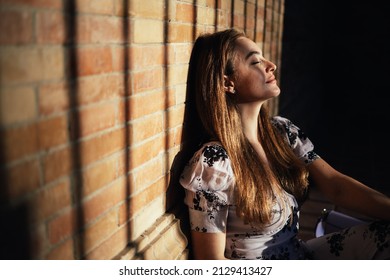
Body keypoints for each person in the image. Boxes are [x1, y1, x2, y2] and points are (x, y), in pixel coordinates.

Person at [177, 28, 390, 260]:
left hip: (301, 255)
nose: (271, 65)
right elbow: (212, 263)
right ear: (228, 82)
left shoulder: (281, 132)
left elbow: (335, 185)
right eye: (255, 61)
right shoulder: (214, 162)